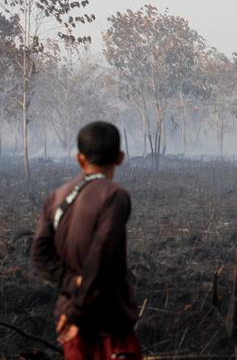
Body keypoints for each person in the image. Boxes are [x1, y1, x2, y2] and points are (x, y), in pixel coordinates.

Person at [32, 121, 142, 360]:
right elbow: (100, 256)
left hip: (72, 321)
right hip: (107, 320)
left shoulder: (57, 197)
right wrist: (76, 312)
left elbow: (39, 254)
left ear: (80, 159)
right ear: (120, 157)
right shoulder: (114, 196)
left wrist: (73, 284)